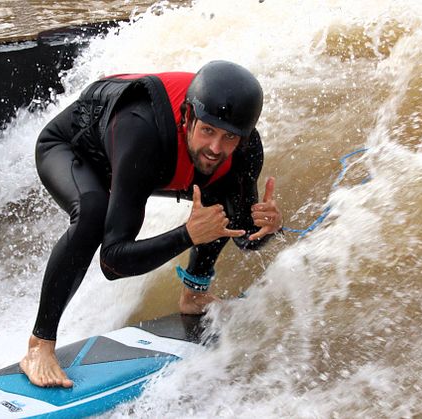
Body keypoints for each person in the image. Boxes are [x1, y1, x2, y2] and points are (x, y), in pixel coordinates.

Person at [21, 60, 283, 387]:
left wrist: (267, 228)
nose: (216, 148)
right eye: (207, 131)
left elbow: (243, 235)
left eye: (229, 137)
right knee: (93, 213)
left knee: (219, 211)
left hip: (137, 161)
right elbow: (112, 261)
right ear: (187, 116)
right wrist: (187, 234)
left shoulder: (244, 151)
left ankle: (194, 294)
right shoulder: (142, 130)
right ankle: (39, 346)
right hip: (75, 151)